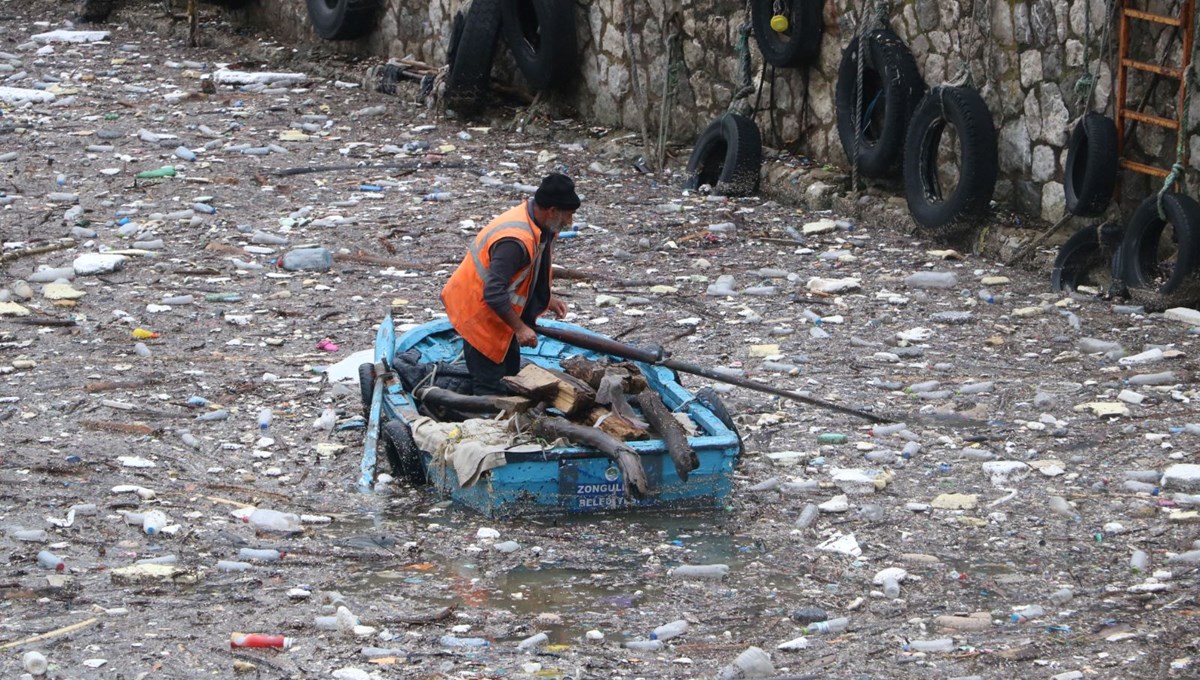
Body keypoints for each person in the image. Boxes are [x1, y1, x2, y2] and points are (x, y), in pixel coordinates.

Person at [441, 173, 580, 395]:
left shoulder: (539, 224)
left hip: (496, 310)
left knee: (511, 374)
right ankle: (484, 421)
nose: (570, 222)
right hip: (477, 312)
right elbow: (494, 293)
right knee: (490, 385)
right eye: (569, 215)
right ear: (552, 210)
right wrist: (520, 328)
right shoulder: (515, 240)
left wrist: (545, 298)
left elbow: (525, 271)